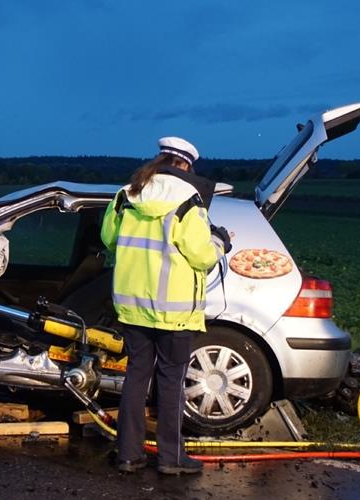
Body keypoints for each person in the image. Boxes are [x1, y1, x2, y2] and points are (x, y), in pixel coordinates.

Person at [100, 136, 231, 475]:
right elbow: (201, 257)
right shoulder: (190, 200)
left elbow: (108, 239)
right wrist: (220, 241)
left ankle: (129, 455)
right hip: (174, 312)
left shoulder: (126, 194)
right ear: (186, 166)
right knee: (170, 382)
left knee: (135, 378)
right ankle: (170, 459)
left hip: (133, 307)